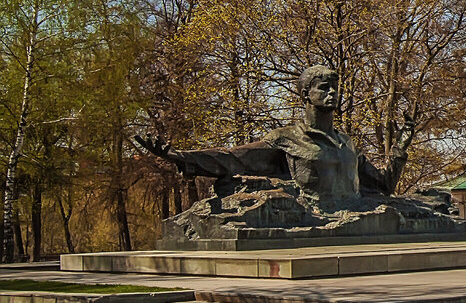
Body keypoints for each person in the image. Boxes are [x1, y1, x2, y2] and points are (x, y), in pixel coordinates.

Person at [135, 66, 396, 205]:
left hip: (356, 217)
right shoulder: (287, 139)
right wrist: (180, 156)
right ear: (305, 94)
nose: (333, 93)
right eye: (324, 88)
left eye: (336, 88)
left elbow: (383, 185)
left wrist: (402, 145)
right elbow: (232, 159)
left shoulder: (346, 143)